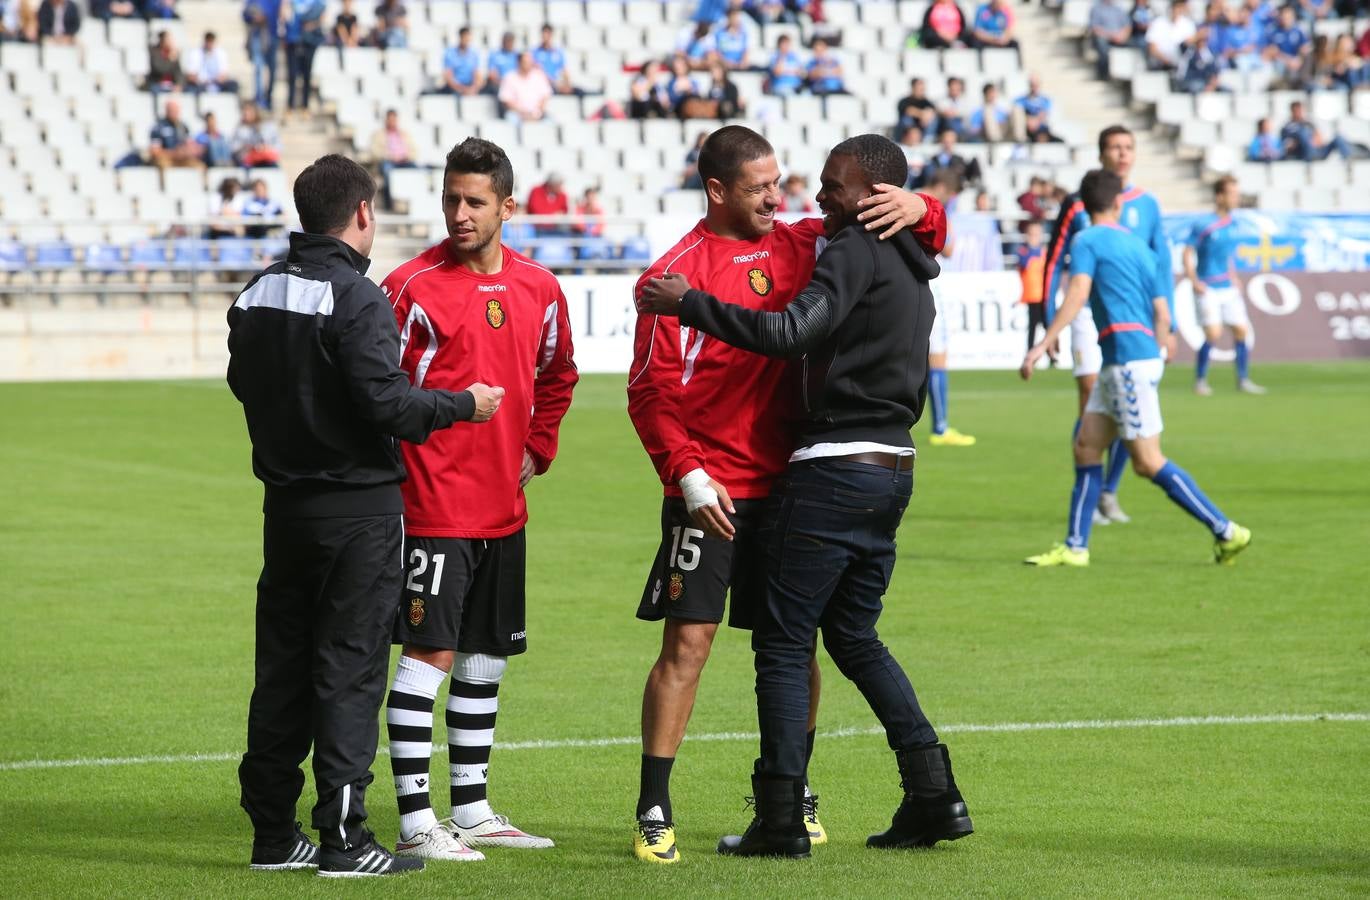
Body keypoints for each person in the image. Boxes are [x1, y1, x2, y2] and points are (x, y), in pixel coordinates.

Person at [637, 133, 972, 861]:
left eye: (790, 181)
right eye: (761, 185)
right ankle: (656, 806)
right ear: (718, 189)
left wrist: (923, 205)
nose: (785, 196)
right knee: (784, 639)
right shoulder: (674, 270)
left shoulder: (821, 242)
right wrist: (686, 472)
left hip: (807, 479)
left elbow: (795, 331)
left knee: (789, 646)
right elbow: (650, 393)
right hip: (727, 488)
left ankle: (786, 813)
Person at [230, 152, 504, 879]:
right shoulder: (357, 298)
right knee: (349, 673)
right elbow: (387, 404)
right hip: (358, 514)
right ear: (360, 214)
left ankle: (272, 833)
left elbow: (241, 382)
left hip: (285, 512)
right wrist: (461, 405)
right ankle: (345, 840)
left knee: (282, 670)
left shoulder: (255, 294)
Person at [381, 137, 577, 862]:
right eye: (450, 200)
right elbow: (377, 391)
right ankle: (413, 821)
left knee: (485, 657)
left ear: (507, 207)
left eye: (474, 202)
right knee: (429, 652)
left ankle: (471, 807)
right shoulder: (410, 286)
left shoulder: (539, 288)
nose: (459, 214)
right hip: (431, 503)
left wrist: (539, 447)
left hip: (505, 504)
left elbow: (559, 374)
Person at [1021, 169, 1252, 568]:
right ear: (1118, 203)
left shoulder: (1087, 239)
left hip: (1126, 360)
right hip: (1133, 356)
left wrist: (1043, 341)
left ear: (1083, 205)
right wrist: (1162, 342)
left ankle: (1226, 529)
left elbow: (1077, 292)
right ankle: (1076, 546)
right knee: (1087, 446)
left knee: (1147, 461)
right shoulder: (1142, 250)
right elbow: (1163, 310)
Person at [1042, 125, 1172, 527]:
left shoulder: (1147, 205)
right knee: (1090, 392)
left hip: (1131, 314)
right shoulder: (1080, 204)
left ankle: (1108, 493)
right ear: (1101, 154)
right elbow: (1054, 257)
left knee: (1120, 401)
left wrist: (1169, 321)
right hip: (1083, 309)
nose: (1122, 153)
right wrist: (1050, 319)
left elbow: (1161, 263)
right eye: (1114, 147)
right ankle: (1090, 488)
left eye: (1128, 147)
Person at [1184, 176, 1265, 396]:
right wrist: (1194, 281)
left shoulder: (1233, 223)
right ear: (1219, 196)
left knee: (1241, 330)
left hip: (1227, 286)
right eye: (1232, 194)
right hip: (1208, 287)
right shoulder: (1204, 224)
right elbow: (1187, 252)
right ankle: (1200, 380)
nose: (1236, 198)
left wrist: (1233, 276)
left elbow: (1226, 255)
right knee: (1213, 333)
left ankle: (1243, 379)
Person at [919, 169, 976, 447]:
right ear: (942, 187)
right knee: (938, 357)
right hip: (934, 283)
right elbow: (949, 248)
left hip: (922, 283)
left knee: (931, 356)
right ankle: (940, 428)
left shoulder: (911, 200)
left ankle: (939, 425)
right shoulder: (931, 206)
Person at [1018, 219, 1053, 362]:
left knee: (1048, 327)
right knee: (1032, 327)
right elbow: (1024, 264)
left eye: (1036, 234)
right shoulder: (1024, 252)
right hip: (1032, 296)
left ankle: (1052, 355)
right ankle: (1029, 354)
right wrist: (1033, 250)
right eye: (1032, 234)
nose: (1034, 237)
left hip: (1044, 296)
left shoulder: (1044, 252)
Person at [370, 109, 417, 210]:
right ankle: (389, 203)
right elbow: (375, 152)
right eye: (390, 119)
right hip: (388, 161)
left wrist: (405, 156)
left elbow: (414, 151)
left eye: (394, 119)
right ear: (386, 120)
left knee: (416, 169)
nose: (392, 122)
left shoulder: (404, 134)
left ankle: (414, 202)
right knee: (388, 172)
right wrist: (390, 156)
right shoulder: (379, 135)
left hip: (404, 162)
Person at [284, 0, 325, 113]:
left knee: (307, 75)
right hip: (292, 41)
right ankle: (290, 105)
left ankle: (305, 106)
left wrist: (312, 25)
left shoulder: (317, 3)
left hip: (309, 42)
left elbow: (322, 17)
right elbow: (284, 16)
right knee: (292, 75)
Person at [1280, 99, 1354, 161]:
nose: (1300, 113)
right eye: (1297, 111)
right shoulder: (1287, 128)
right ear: (1292, 111)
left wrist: (1315, 140)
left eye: (1301, 110)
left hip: (1318, 151)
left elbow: (1319, 139)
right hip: (1303, 153)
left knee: (1338, 137)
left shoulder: (1309, 124)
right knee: (1302, 133)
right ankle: (1311, 156)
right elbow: (1287, 145)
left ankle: (1348, 159)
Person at [243, 0, 282, 110]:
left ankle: (268, 97)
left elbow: (277, 14)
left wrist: (265, 16)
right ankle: (259, 99)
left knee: (272, 70)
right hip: (257, 36)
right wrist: (253, 17)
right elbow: (245, 14)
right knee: (259, 68)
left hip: (272, 37)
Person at [148, 99, 204, 169]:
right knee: (163, 163)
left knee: (199, 165)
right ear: (166, 111)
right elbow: (155, 151)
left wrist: (190, 151)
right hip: (167, 158)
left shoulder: (183, 127)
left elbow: (189, 144)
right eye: (172, 110)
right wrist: (175, 153)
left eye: (176, 110)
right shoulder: (158, 128)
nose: (174, 112)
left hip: (182, 159)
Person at [498, 52, 552, 121]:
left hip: (538, 114)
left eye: (530, 62)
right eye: (526, 62)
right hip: (516, 114)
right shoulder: (509, 77)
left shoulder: (539, 76)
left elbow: (545, 96)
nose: (529, 64)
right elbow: (506, 100)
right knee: (512, 119)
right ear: (519, 62)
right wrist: (523, 112)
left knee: (550, 122)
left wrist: (537, 112)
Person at [1144, 0, 1195, 70]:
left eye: (1179, 7)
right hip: (1159, 65)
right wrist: (1167, 61)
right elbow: (1152, 48)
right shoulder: (1158, 22)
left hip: (1181, 67)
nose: (1176, 10)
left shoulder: (1188, 25)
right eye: (1175, 7)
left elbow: (1189, 47)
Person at [1089, 0, 1134, 78]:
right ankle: (1103, 73)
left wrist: (1123, 36)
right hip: (1105, 37)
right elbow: (1095, 28)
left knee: (1138, 43)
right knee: (1102, 44)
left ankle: (1127, 75)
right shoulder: (1096, 9)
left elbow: (1128, 25)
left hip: (1120, 37)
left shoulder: (1119, 8)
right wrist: (1112, 36)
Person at [233, 100, 283, 167]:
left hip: (266, 159)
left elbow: (278, 146)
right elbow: (234, 148)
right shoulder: (240, 129)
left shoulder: (267, 126)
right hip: (248, 161)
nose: (246, 114)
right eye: (244, 111)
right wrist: (246, 147)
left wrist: (266, 148)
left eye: (249, 111)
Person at [532, 23, 576, 95]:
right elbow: (538, 72)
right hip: (543, 84)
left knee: (578, 91)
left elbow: (564, 70)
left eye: (548, 33)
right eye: (544, 33)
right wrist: (554, 83)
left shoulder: (558, 52)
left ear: (551, 34)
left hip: (556, 84)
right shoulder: (535, 52)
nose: (545, 35)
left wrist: (567, 84)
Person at [441, 26, 485, 95]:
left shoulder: (474, 54)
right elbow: (448, 76)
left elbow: (477, 73)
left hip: (469, 85)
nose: (467, 39)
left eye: (468, 37)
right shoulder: (450, 53)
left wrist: (474, 88)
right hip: (455, 87)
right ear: (460, 37)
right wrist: (461, 89)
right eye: (465, 37)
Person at [485, 31, 520, 96]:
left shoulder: (517, 55)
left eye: (511, 41)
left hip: (515, 84)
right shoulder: (495, 54)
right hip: (500, 84)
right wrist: (504, 83)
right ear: (503, 41)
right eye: (507, 40)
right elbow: (492, 74)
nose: (509, 43)